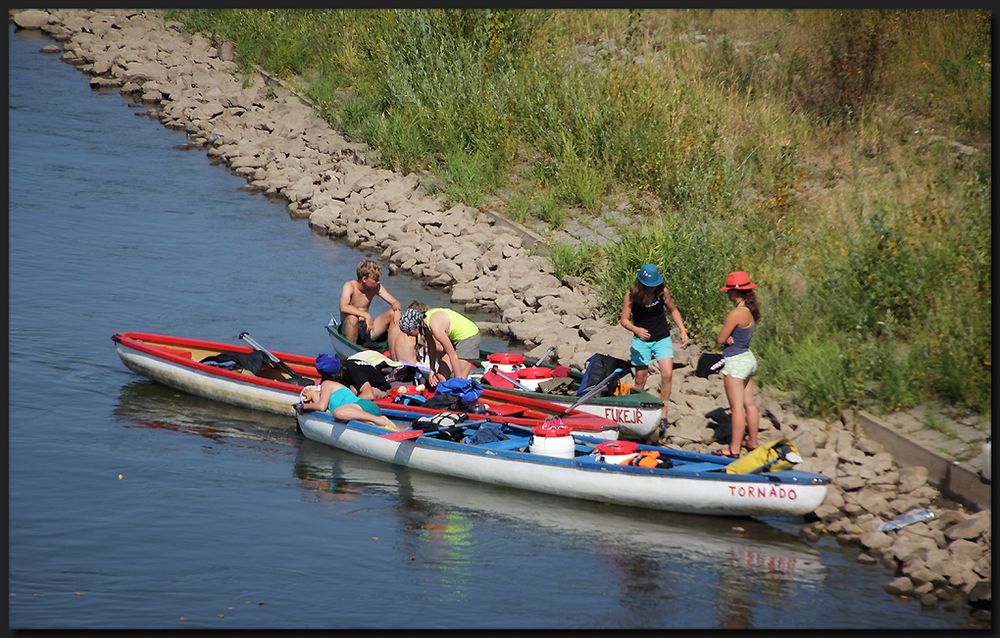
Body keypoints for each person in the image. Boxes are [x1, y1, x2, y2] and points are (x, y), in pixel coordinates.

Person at [619, 263, 689, 428]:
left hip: (662, 338)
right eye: (649, 286)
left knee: (667, 374)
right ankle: (637, 410)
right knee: (641, 378)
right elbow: (624, 320)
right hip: (641, 341)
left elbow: (673, 310)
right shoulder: (631, 296)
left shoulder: (662, 291)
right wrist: (636, 329)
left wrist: (682, 329)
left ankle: (663, 413)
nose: (652, 288)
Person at [712, 271, 761, 458]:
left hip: (736, 361)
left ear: (734, 292)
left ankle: (734, 449)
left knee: (737, 408)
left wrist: (727, 337)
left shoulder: (736, 313)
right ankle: (753, 442)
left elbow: (720, 338)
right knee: (750, 404)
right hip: (748, 358)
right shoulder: (750, 311)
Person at [300, 353, 399, 430]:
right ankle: (370, 422)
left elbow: (369, 394)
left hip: (378, 388)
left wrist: (302, 406)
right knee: (352, 391)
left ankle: (379, 420)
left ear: (333, 375)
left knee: (341, 410)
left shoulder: (352, 369)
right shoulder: (329, 379)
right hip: (359, 400)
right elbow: (322, 404)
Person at [399, 302, 480, 382]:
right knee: (441, 376)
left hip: (468, 336)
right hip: (455, 339)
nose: (408, 336)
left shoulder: (435, 327)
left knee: (460, 379)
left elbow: (452, 354)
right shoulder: (424, 323)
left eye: (408, 333)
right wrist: (432, 370)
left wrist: (458, 380)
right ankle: (448, 392)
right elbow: (431, 347)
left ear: (415, 326)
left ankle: (460, 390)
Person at [339, 259, 401, 345]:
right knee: (353, 318)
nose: (378, 282)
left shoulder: (376, 287)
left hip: (367, 328)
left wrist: (397, 311)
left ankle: (395, 348)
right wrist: (366, 315)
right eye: (375, 279)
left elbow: (395, 302)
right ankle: (351, 350)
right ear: (364, 279)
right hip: (349, 327)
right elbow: (343, 307)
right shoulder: (349, 286)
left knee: (393, 313)